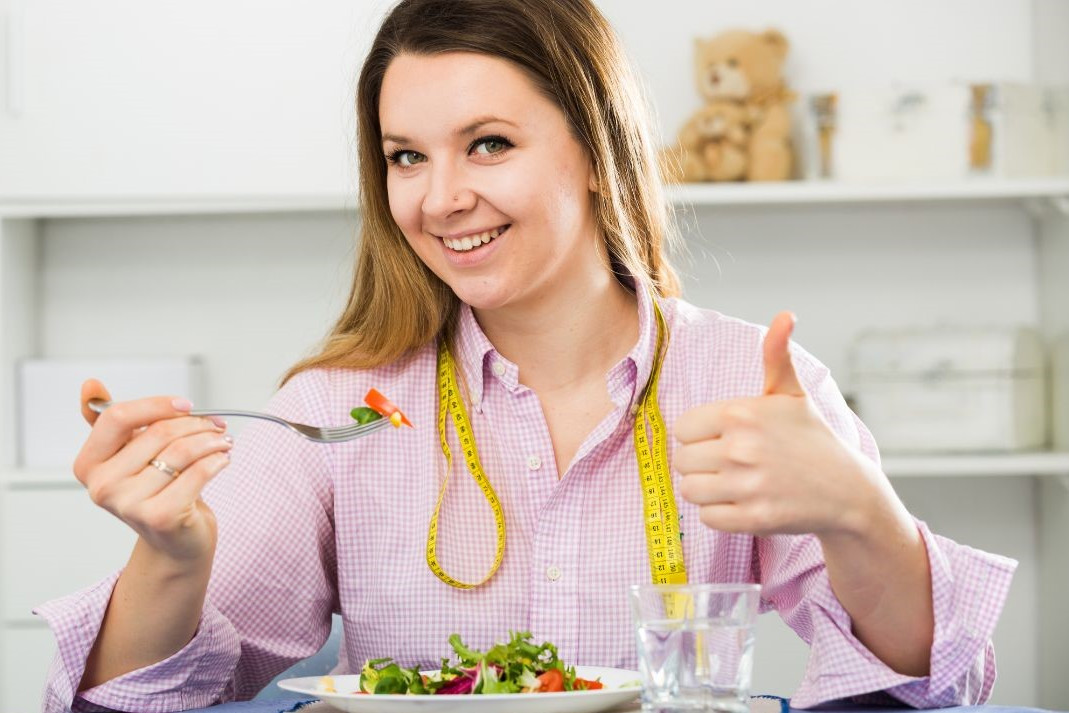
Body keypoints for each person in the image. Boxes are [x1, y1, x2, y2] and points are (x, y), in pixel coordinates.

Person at [35, 0, 1016, 710]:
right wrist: (170, 555)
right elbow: (131, 701)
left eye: (489, 143)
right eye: (406, 155)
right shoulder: (338, 406)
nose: (439, 198)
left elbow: (934, 687)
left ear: (594, 148)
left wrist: (859, 512)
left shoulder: (746, 381)